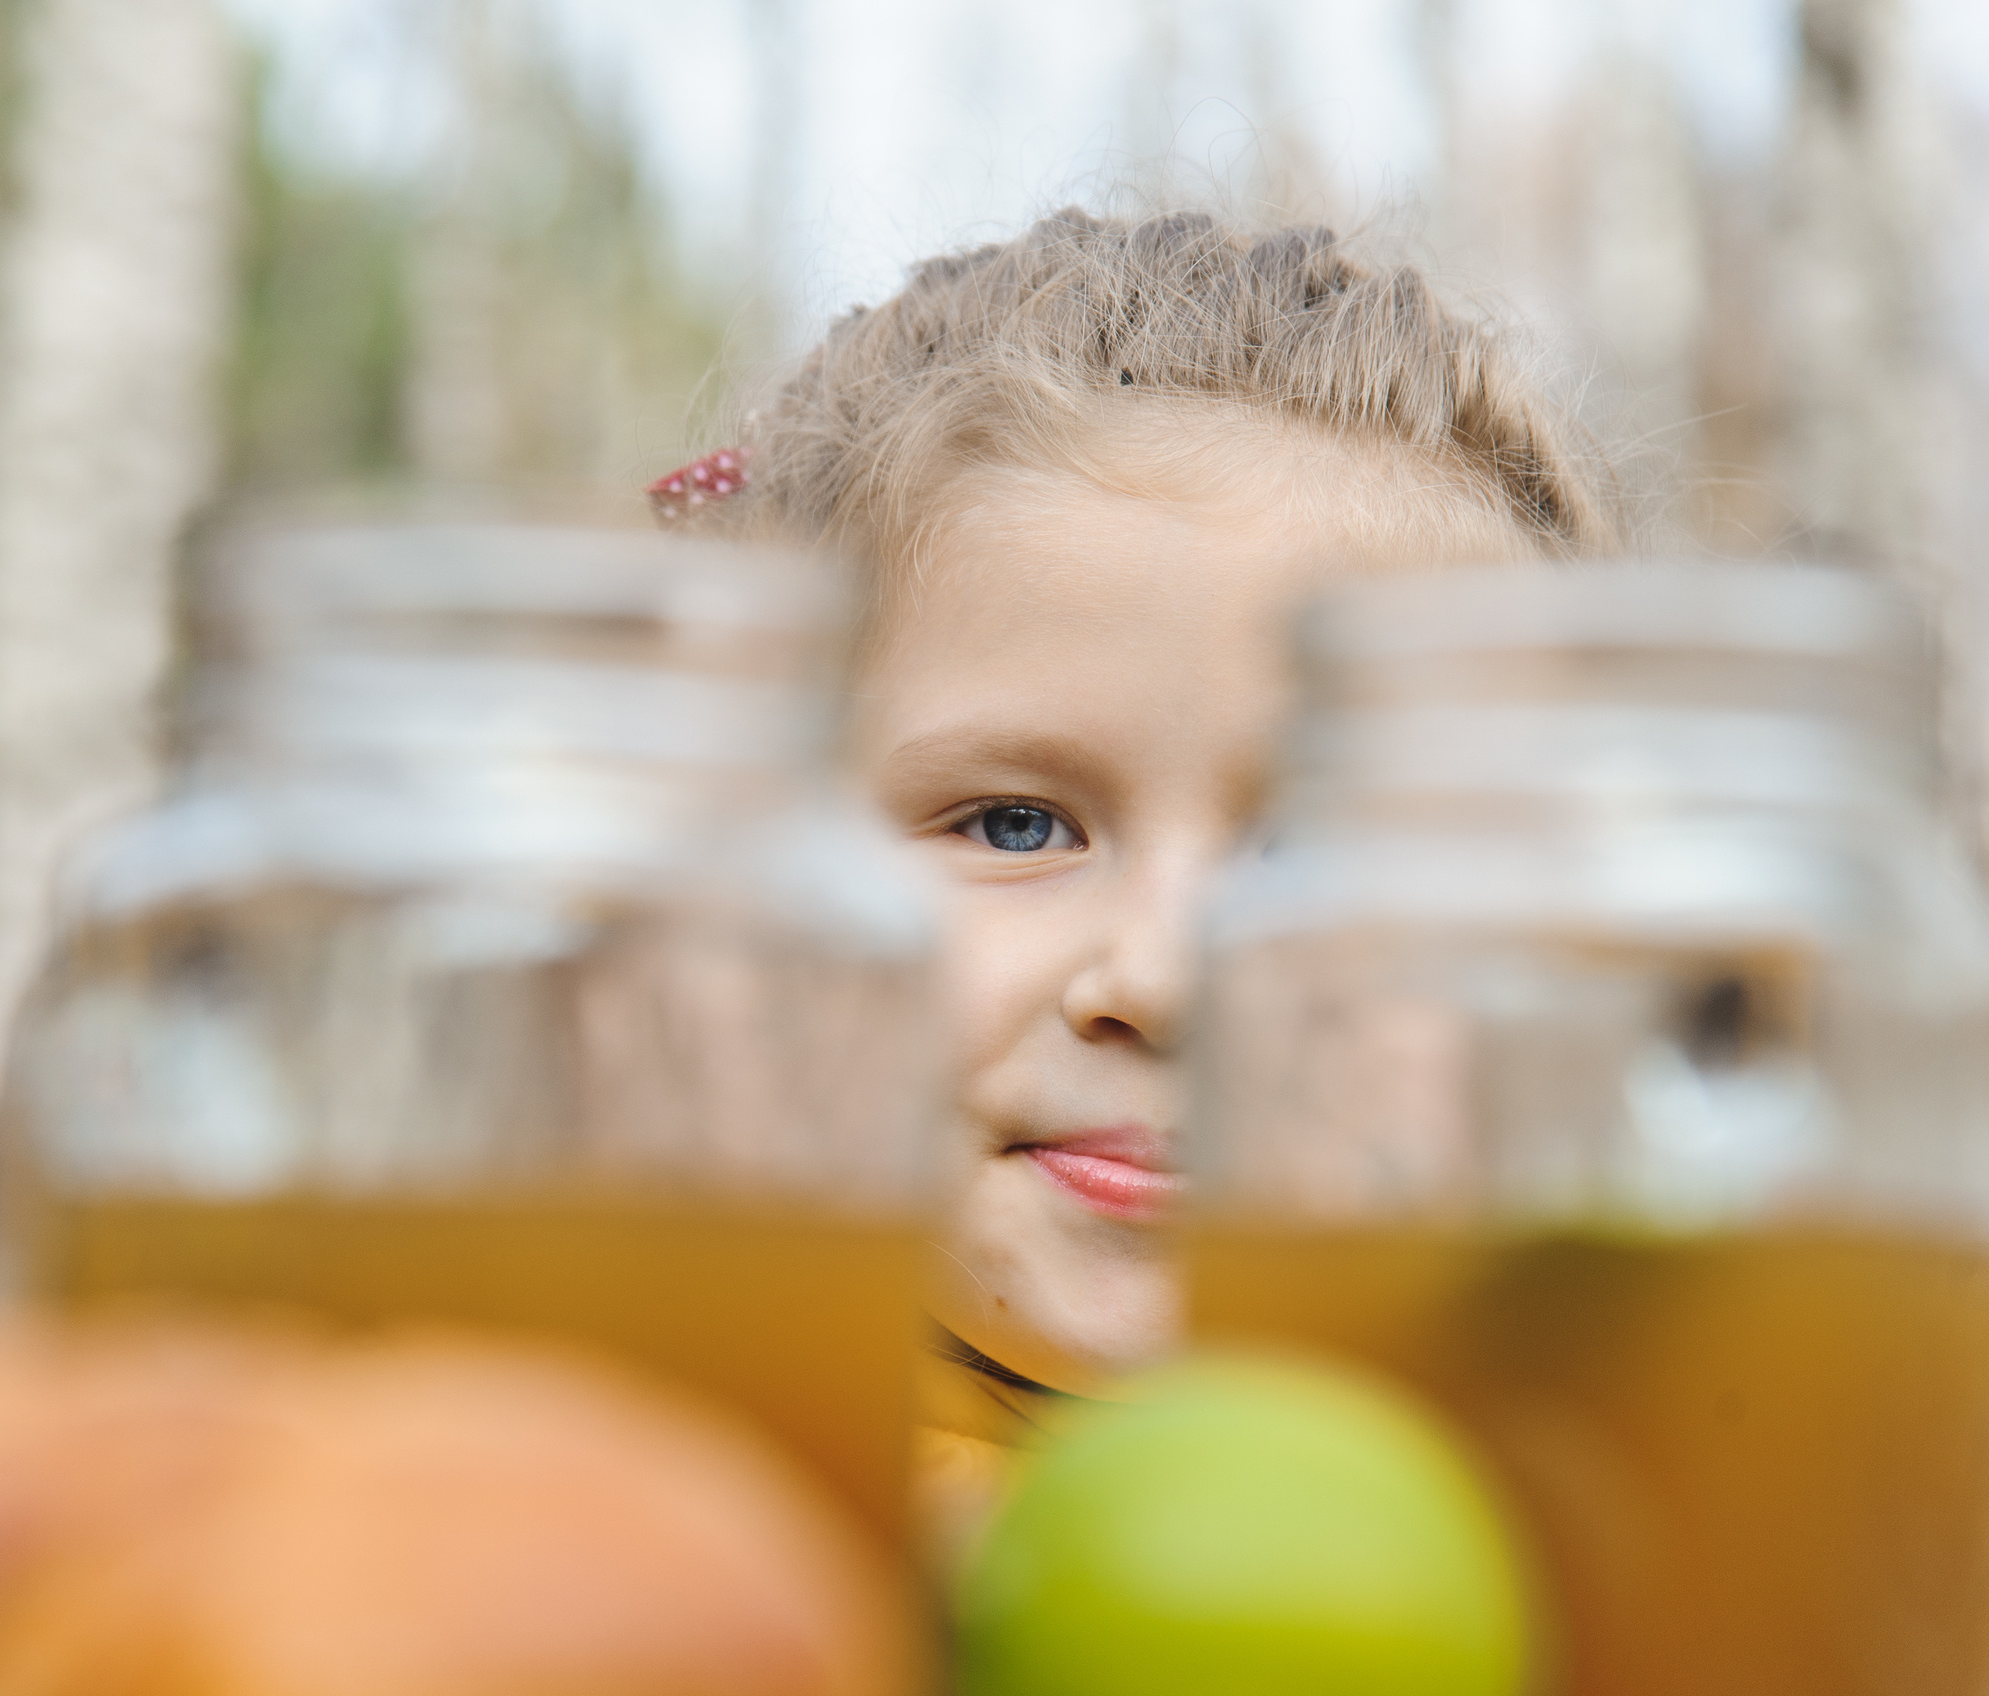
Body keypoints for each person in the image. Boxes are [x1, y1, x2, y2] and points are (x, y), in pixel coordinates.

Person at [655, 205, 1633, 1507]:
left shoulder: (1662, 1536)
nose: (1167, 978)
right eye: (1015, 826)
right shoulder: (668, 1495)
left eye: (1326, 849)